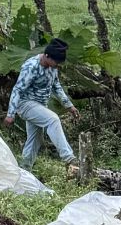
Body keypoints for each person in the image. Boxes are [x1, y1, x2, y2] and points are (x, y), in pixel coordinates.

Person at [5, 38, 80, 169]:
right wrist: (10, 114)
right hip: (25, 104)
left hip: (40, 106)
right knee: (53, 120)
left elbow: (56, 86)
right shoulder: (31, 67)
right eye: (55, 62)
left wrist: (69, 106)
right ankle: (69, 158)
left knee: (35, 140)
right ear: (46, 56)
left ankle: (24, 170)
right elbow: (17, 89)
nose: (57, 65)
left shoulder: (53, 67)